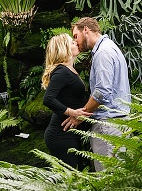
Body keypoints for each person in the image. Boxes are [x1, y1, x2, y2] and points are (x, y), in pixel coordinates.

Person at [65, 17, 131, 172]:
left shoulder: (103, 53)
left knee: (107, 179)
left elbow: (102, 93)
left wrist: (80, 115)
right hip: (119, 123)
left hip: (108, 125)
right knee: (118, 180)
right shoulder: (111, 47)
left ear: (86, 30)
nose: (76, 42)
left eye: (76, 36)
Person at [41, 33, 91, 169]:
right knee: (71, 178)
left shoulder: (70, 70)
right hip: (60, 134)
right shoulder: (61, 71)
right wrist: (71, 112)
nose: (76, 43)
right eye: (71, 42)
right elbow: (48, 99)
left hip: (70, 133)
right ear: (63, 48)